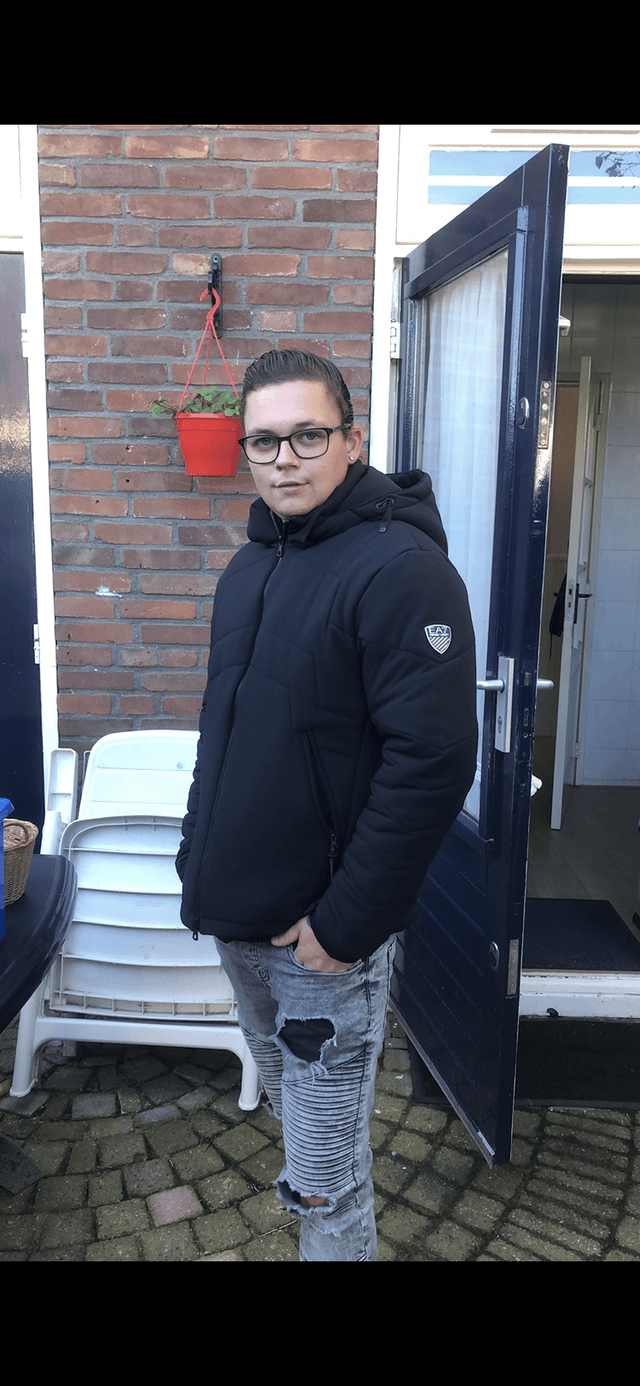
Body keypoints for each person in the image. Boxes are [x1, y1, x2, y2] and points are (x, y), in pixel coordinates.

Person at [176, 349, 477, 1261]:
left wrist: (345, 926)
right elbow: (225, 734)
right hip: (241, 918)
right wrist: (198, 854)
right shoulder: (250, 566)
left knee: (322, 1177)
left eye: (309, 435)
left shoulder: (402, 569)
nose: (285, 459)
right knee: (301, 1131)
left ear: (353, 440)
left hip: (320, 942)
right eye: (264, 441)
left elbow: (431, 763)